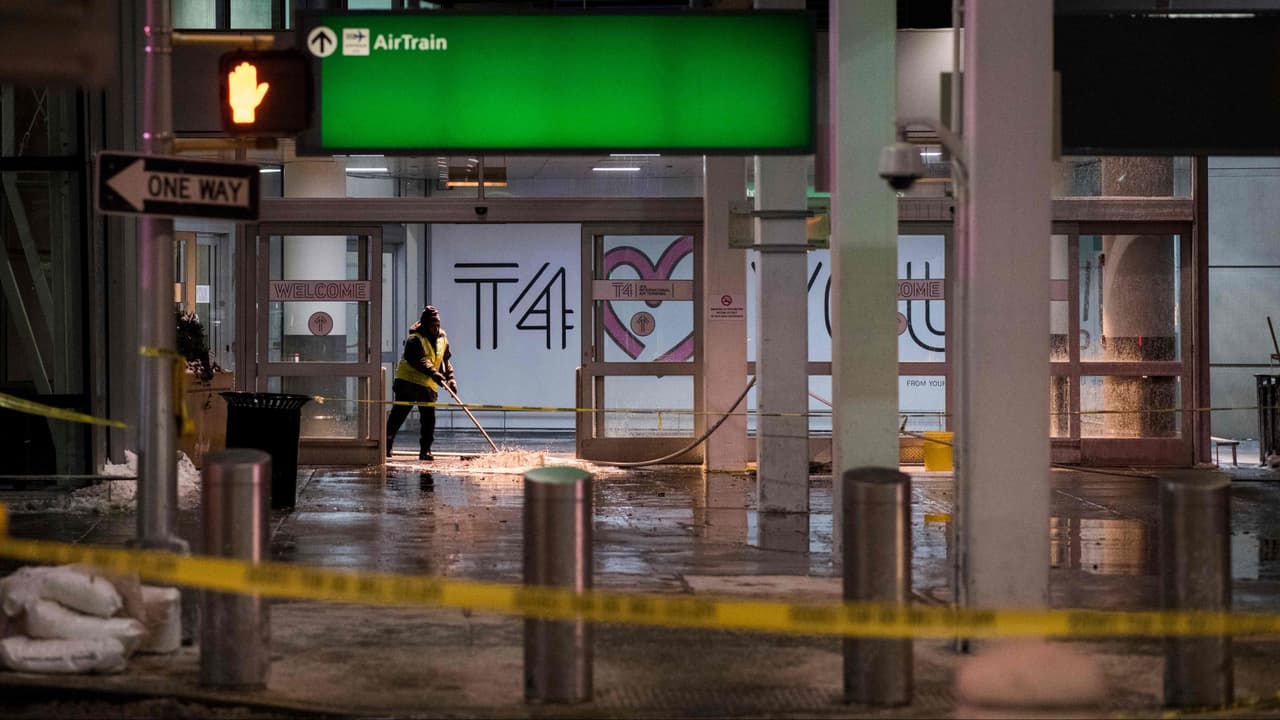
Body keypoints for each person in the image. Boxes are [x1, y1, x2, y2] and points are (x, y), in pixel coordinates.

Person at [386, 305, 456, 461]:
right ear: (424, 324)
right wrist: (434, 373)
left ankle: (425, 450)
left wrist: (450, 378)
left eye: (437, 324)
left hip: (427, 386)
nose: (436, 327)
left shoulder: (442, 338)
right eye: (432, 324)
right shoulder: (414, 339)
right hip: (408, 383)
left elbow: (445, 360)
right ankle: (386, 445)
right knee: (398, 416)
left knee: (428, 420)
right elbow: (420, 360)